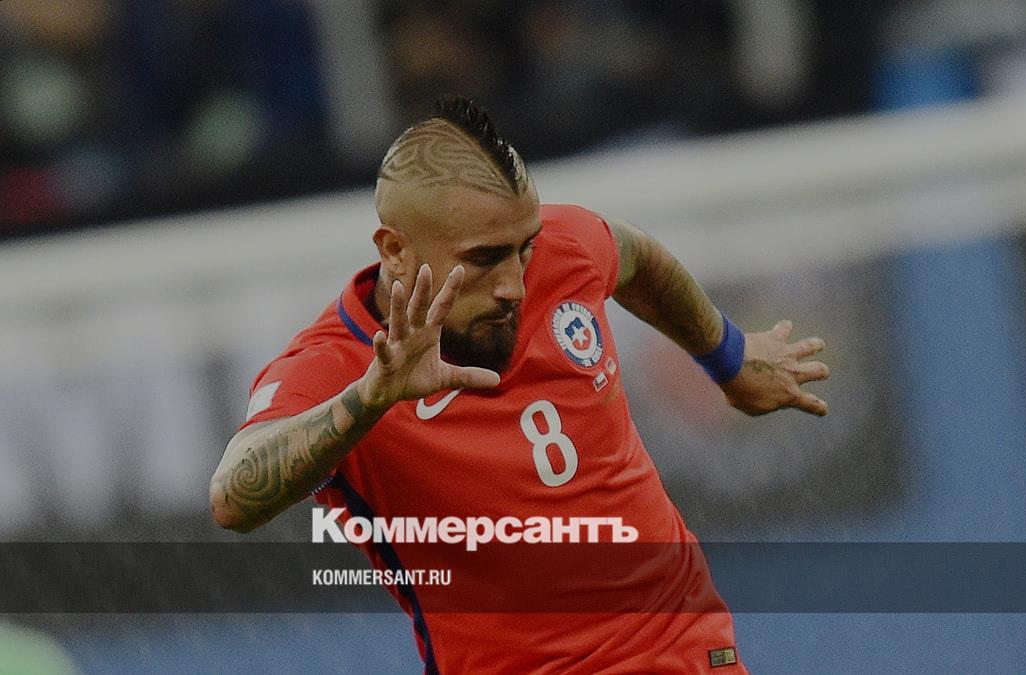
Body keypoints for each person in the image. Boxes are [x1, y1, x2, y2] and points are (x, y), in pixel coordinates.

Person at [209, 97, 830, 674]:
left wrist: (729, 355)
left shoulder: (562, 251)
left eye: (523, 249)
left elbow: (636, 256)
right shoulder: (333, 366)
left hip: (684, 652)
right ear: (395, 249)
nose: (514, 284)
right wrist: (368, 400)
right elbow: (233, 496)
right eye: (484, 259)